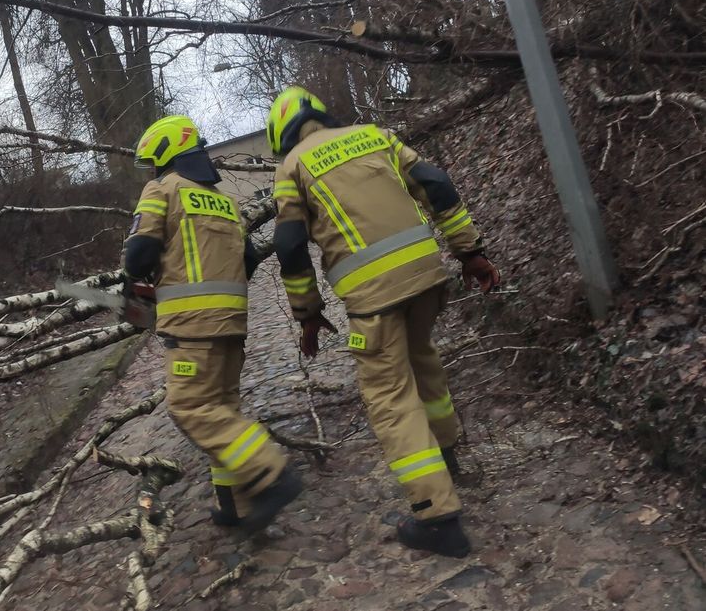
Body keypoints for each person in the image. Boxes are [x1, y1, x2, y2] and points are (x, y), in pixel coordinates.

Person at [265, 86, 500, 557]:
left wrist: (308, 314)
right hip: (428, 278)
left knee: (390, 396)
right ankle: (446, 455)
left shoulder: (291, 168)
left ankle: (438, 517)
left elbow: (290, 247)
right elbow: (437, 184)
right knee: (421, 359)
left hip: (374, 298)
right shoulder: (377, 136)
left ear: (281, 134)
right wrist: (470, 252)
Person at [122, 114, 302, 532]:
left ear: (165, 155)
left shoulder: (161, 189)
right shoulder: (226, 203)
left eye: (152, 163)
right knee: (223, 410)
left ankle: (271, 473)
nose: (151, 172)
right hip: (232, 325)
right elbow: (249, 261)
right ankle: (234, 508)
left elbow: (138, 256)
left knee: (191, 407)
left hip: (192, 329)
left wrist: (143, 282)